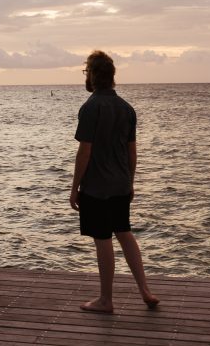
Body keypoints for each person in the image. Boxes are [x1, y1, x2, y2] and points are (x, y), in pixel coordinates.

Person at [69, 51, 159, 313]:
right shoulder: (126, 109)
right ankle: (144, 289)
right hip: (121, 183)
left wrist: (74, 187)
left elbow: (84, 151)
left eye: (86, 72)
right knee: (125, 233)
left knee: (102, 238)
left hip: (97, 186)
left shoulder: (90, 107)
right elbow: (132, 152)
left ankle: (106, 300)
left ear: (93, 76)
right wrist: (130, 182)